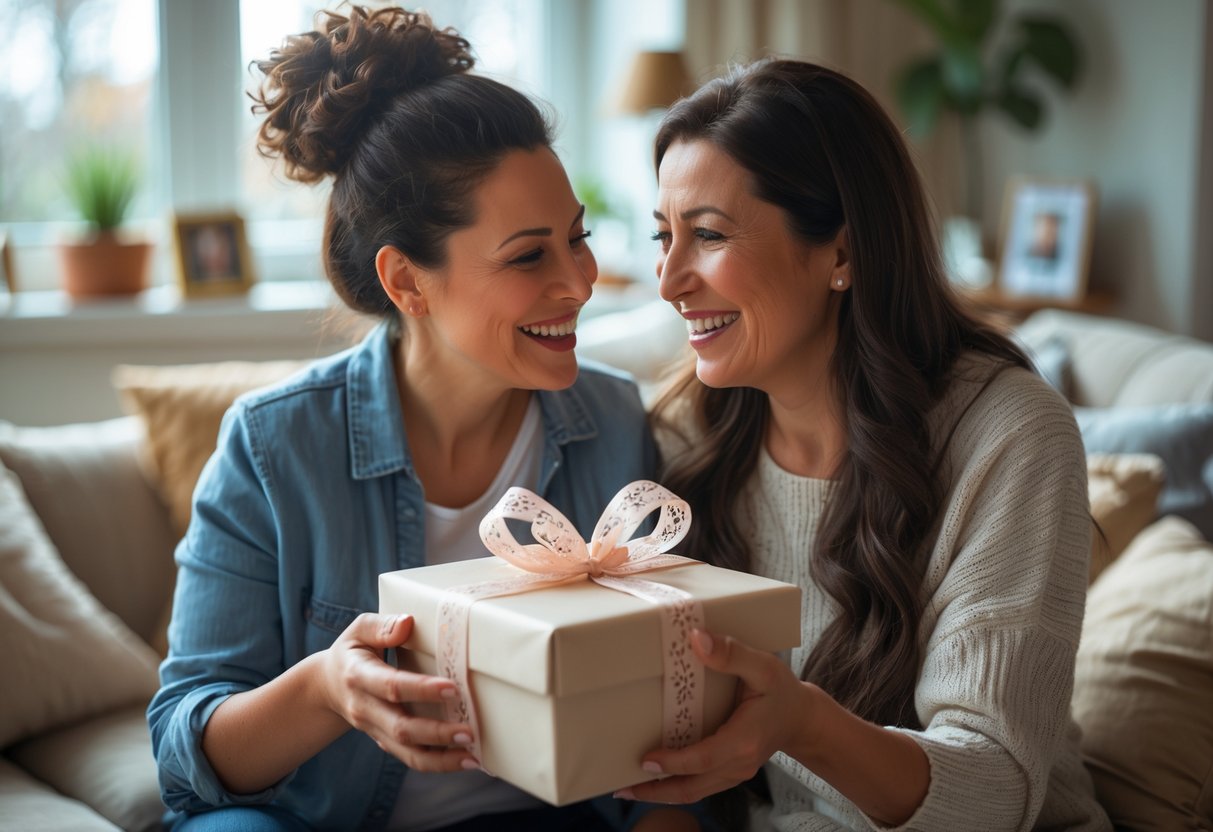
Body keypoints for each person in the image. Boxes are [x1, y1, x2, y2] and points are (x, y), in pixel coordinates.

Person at [147, 7, 699, 831]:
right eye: (528, 255)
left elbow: (662, 708)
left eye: (575, 238)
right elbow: (185, 751)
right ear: (407, 283)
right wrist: (327, 688)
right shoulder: (274, 445)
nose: (579, 282)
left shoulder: (614, 417)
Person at [620, 59, 1112, 831]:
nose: (668, 278)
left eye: (708, 235)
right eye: (663, 236)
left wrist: (800, 723)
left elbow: (993, 792)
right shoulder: (688, 433)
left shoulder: (1007, 435)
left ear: (841, 254)